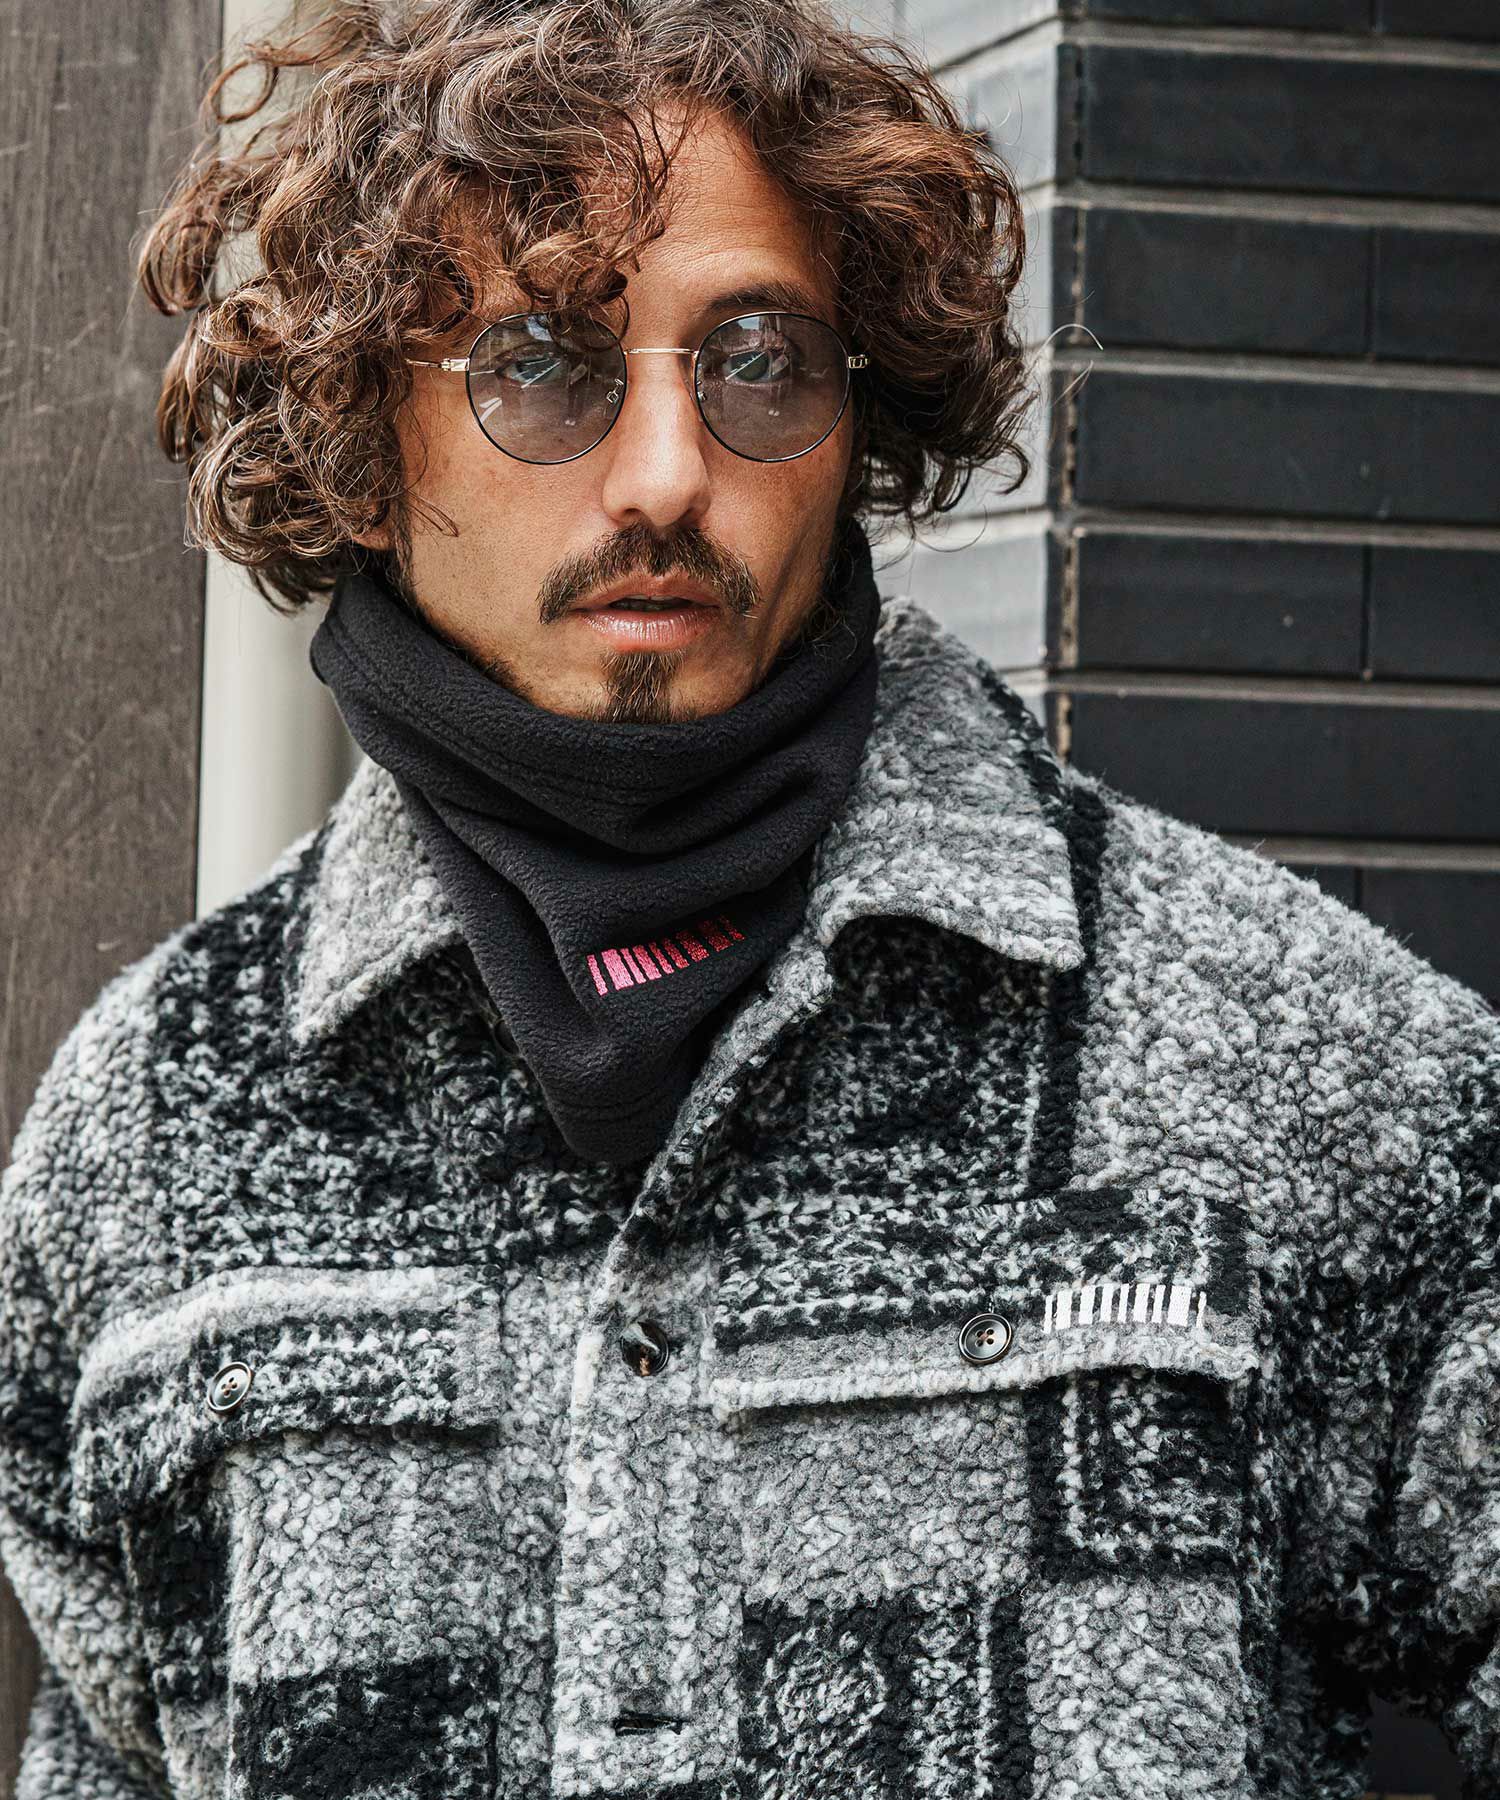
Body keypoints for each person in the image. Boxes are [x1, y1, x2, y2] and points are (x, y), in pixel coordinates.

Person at [2, 1, 1497, 1796]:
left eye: (760, 360)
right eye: (541, 361)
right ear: (362, 437)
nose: (664, 473)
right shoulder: (151, 1131)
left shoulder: (1289, 1059)